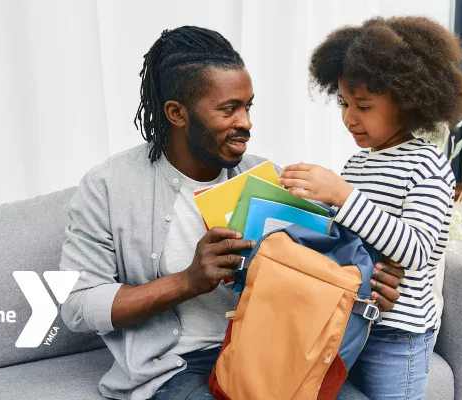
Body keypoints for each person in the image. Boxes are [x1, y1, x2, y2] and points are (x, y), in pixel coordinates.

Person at [59, 26, 404, 400]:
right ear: (177, 113)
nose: (246, 122)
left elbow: (322, 268)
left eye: (248, 106)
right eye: (229, 109)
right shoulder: (109, 186)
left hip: (272, 352)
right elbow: (77, 306)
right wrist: (188, 281)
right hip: (175, 366)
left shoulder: (265, 176)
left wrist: (367, 283)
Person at [280, 16, 462, 400]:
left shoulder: (428, 165)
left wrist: (343, 196)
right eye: (345, 103)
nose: (349, 118)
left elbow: (416, 250)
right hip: (351, 321)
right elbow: (352, 237)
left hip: (397, 336)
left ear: (407, 99)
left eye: (363, 106)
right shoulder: (358, 164)